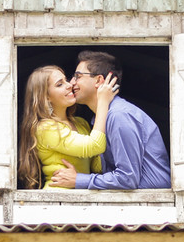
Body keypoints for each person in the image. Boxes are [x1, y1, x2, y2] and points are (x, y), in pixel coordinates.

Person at [49, 51, 171, 189]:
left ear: (99, 80)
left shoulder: (119, 115)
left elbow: (127, 178)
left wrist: (79, 180)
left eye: (78, 76)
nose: (71, 83)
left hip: (154, 204)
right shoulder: (101, 119)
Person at [17, 65, 119, 190]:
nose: (69, 85)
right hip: (56, 197)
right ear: (46, 97)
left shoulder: (81, 123)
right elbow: (95, 146)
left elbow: (97, 166)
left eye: (66, 80)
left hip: (81, 197)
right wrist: (102, 101)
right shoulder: (45, 128)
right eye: (60, 84)